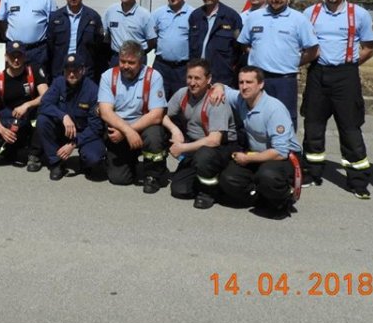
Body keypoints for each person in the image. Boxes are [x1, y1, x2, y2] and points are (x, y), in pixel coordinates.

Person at [301, 0, 373, 198]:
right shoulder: (309, 13)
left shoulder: (359, 14)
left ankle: (357, 180)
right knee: (313, 126)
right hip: (317, 74)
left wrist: (350, 63)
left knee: (350, 128)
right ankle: (312, 172)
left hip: (346, 76)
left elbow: (369, 47)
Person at [213, 67, 303, 219]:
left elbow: (280, 152)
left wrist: (247, 159)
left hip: (284, 158)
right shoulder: (241, 99)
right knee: (228, 178)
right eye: (241, 82)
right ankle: (260, 198)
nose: (244, 86)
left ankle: (283, 200)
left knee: (267, 176)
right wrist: (219, 88)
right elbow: (221, 86)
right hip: (257, 154)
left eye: (249, 82)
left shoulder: (274, 109)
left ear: (261, 85)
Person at [237, 0, 318, 130]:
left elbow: (313, 50)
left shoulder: (299, 19)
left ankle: (286, 152)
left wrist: (295, 62)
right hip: (258, 79)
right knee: (255, 117)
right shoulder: (253, 17)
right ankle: (257, 150)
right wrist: (256, 54)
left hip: (284, 80)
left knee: (285, 119)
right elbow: (244, 43)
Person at [164, 58, 238, 209]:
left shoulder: (216, 100)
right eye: (189, 77)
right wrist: (174, 129)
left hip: (219, 148)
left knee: (204, 156)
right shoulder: (182, 94)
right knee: (179, 190)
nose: (192, 83)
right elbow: (161, 114)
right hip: (196, 146)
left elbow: (214, 140)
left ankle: (208, 193)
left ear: (208, 79)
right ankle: (204, 176)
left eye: (197, 78)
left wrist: (182, 148)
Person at [97, 40, 167, 192]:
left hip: (142, 128)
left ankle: (153, 175)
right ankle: (130, 162)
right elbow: (105, 112)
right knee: (119, 179)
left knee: (155, 134)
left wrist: (128, 131)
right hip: (118, 130)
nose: (125, 66)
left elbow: (156, 115)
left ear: (141, 62)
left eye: (131, 62)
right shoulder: (108, 76)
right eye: (123, 61)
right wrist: (126, 132)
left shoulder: (153, 77)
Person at [37, 54, 105, 181]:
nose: (72, 74)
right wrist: (63, 116)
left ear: (83, 70)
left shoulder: (93, 90)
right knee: (42, 120)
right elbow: (44, 104)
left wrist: (73, 144)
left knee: (93, 158)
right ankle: (56, 163)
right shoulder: (58, 83)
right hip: (64, 130)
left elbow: (96, 127)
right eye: (68, 70)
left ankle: (85, 162)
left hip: (85, 133)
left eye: (76, 70)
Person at [0, 41, 49, 171]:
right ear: (6, 57)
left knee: (42, 119)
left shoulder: (34, 71)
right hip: (10, 119)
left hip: (31, 117)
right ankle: (10, 150)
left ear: (25, 57)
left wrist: (27, 105)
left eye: (19, 56)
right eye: (13, 56)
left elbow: (47, 95)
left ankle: (34, 156)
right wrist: (2, 130)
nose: (16, 60)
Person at [187, 0, 242, 87]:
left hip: (221, 76)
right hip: (198, 76)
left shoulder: (231, 17)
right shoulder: (195, 16)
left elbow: (238, 47)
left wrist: (229, 66)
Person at [46, 0, 104, 80]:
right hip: (61, 72)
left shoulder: (93, 17)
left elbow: (99, 47)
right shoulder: (56, 17)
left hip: (85, 72)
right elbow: (50, 46)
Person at [151, 0, 194, 99]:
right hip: (161, 66)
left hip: (182, 68)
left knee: (180, 101)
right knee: (157, 99)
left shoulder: (193, 14)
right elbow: (152, 37)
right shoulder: (158, 14)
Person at [102, 0, 156, 66]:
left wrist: (139, 53)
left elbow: (152, 41)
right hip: (116, 58)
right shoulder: (111, 11)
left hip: (137, 60)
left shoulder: (144, 15)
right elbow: (106, 36)